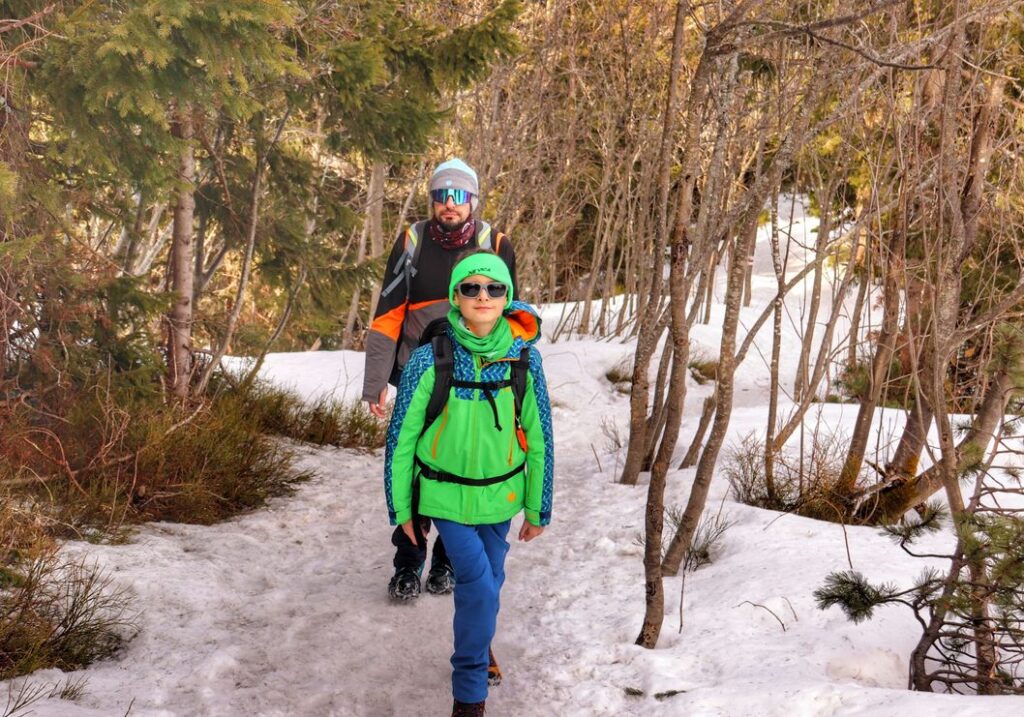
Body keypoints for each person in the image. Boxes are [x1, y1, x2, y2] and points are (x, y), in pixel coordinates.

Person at [384, 251, 553, 717]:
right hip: (445, 496)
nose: (483, 296)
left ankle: (480, 643)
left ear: (507, 297)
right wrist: (403, 512)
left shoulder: (524, 360)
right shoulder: (428, 359)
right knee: (478, 584)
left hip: (502, 498)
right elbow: (400, 441)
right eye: (472, 287)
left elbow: (540, 438)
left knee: (491, 583)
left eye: (494, 288)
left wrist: (539, 508)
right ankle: (469, 691)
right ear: (456, 296)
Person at [363, 158, 517, 600]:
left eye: (458, 196)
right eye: (440, 195)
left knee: (458, 465)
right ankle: (408, 564)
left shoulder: (496, 244)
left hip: (474, 377)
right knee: (412, 467)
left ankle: (447, 562)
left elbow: (510, 312)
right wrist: (377, 380)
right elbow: (389, 312)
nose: (449, 205)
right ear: (432, 200)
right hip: (420, 370)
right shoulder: (413, 241)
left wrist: (513, 381)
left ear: (472, 200)